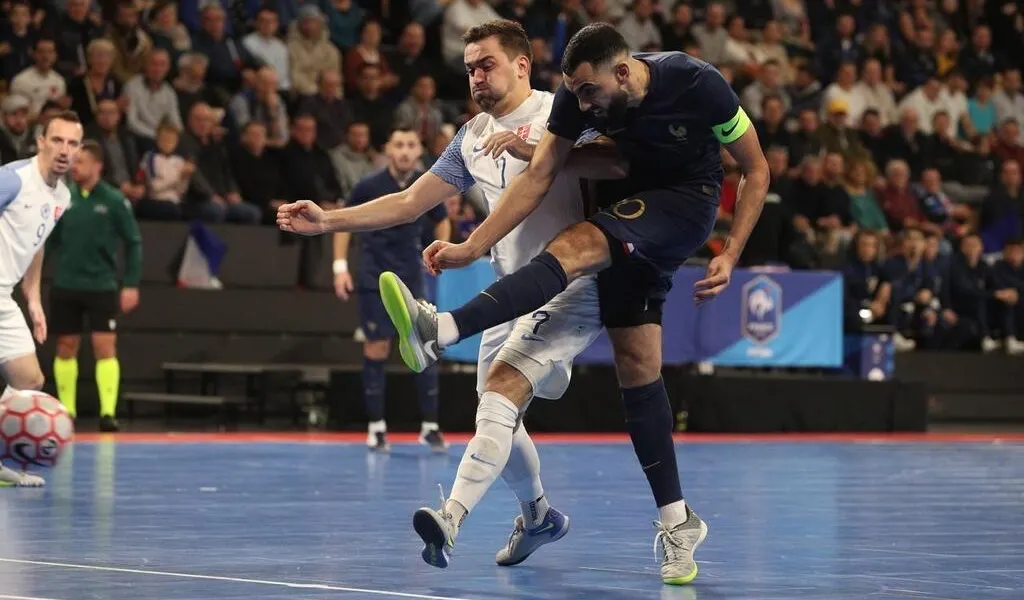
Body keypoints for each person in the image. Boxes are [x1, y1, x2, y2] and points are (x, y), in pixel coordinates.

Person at [380, 23, 770, 585]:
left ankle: (442, 329)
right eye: (575, 93)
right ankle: (678, 521)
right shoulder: (574, 95)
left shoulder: (696, 82)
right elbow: (540, 175)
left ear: (623, 72)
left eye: (590, 92)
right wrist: (473, 246)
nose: (583, 105)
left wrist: (731, 253)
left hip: (684, 203)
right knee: (637, 367)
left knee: (574, 244)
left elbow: (756, 167)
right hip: (624, 217)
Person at [277, 19, 622, 570]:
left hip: (572, 288)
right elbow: (410, 201)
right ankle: (538, 517)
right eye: (469, 69)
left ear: (522, 65)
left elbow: (618, 157)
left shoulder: (564, 112)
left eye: (487, 65)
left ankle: (452, 516)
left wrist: (540, 147)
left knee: (499, 402)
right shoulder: (471, 137)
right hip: (508, 295)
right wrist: (328, 221)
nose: (477, 77)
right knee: (498, 412)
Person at [333, 125, 451, 452]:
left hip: (412, 278)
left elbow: (442, 218)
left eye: (411, 145)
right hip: (373, 277)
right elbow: (342, 221)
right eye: (399, 144)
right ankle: (376, 427)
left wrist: (440, 248)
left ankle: (430, 427)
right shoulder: (368, 185)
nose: (404, 151)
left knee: (425, 347)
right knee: (377, 349)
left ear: (418, 150)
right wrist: (340, 267)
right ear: (388, 149)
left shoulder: (426, 184)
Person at [0, 110, 83, 487]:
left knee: (29, 379)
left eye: (72, 143)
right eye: (57, 140)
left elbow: (37, 243)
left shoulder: (62, 195)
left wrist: (32, 298)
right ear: (41, 142)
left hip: (4, 294)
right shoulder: (14, 179)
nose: (64, 149)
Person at [48, 139, 142, 433]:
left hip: (101, 285)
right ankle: (67, 412)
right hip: (66, 283)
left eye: (81, 162)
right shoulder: (63, 197)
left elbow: (133, 242)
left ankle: (108, 413)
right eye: (73, 162)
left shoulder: (114, 200)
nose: (74, 167)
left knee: (104, 346)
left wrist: (131, 283)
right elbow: (50, 241)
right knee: (66, 346)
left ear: (97, 165)